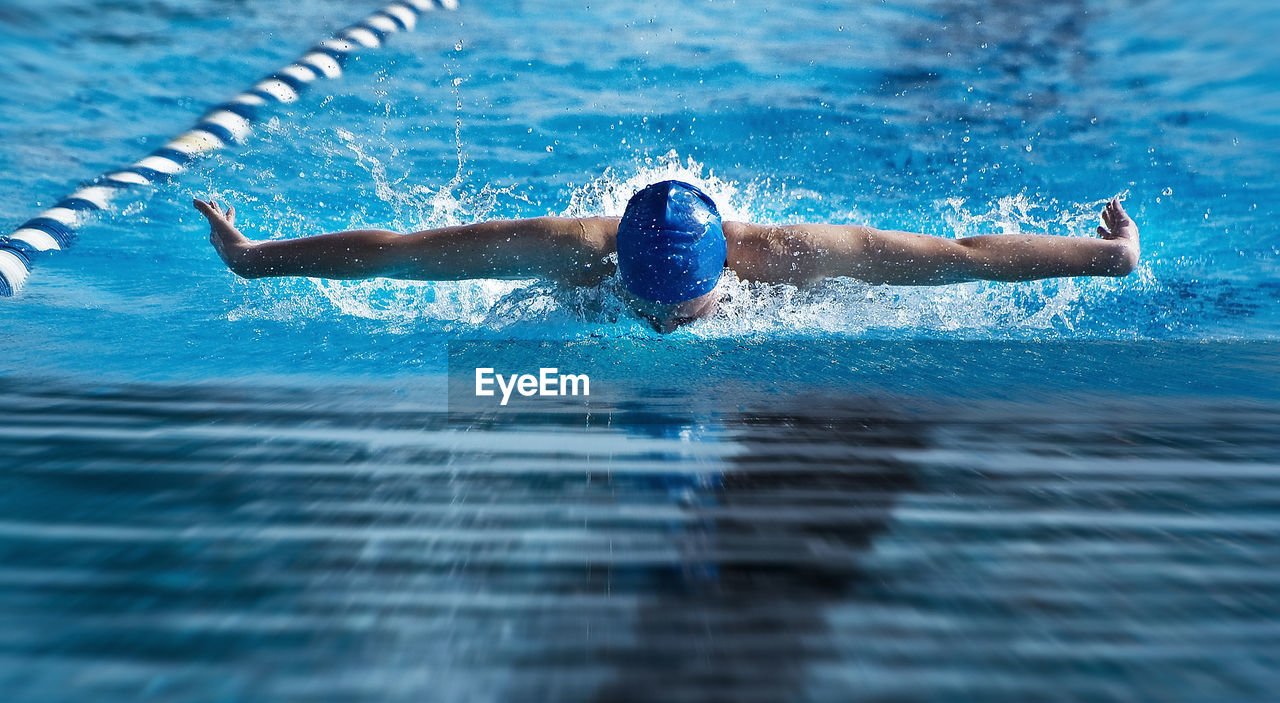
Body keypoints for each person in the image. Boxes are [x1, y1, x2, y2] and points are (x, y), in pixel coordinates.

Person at [194, 179, 1140, 332]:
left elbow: (965, 257)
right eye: (650, 302)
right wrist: (255, 257)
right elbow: (400, 257)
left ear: (722, 271)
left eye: (673, 307)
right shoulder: (569, 253)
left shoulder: (794, 259)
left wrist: (1107, 260)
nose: (659, 322)